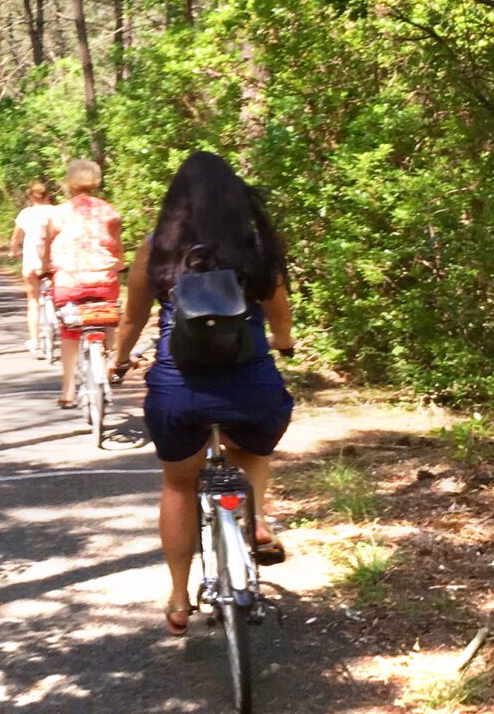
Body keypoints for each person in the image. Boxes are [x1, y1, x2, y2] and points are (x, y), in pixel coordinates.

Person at [111, 151, 294, 636]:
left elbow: (131, 317)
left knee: (178, 484)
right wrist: (285, 342)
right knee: (252, 449)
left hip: (179, 387)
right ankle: (253, 520)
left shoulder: (159, 246)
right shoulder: (251, 245)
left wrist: (119, 358)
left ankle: (177, 594)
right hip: (249, 384)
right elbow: (279, 311)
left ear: (175, 202)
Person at [45, 159, 124, 408]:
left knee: (70, 332)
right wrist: (119, 264)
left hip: (70, 281)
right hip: (103, 279)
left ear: (69, 182)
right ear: (96, 181)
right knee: (107, 314)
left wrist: (48, 269)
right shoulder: (110, 211)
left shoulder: (58, 213)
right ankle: (111, 361)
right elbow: (117, 247)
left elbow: (49, 249)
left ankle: (68, 391)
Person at [9, 180, 56, 356]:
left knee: (33, 301)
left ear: (31, 197)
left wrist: (14, 252)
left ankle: (35, 343)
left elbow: (15, 238)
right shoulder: (56, 211)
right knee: (61, 297)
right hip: (54, 262)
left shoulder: (25, 214)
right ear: (47, 195)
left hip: (31, 262)